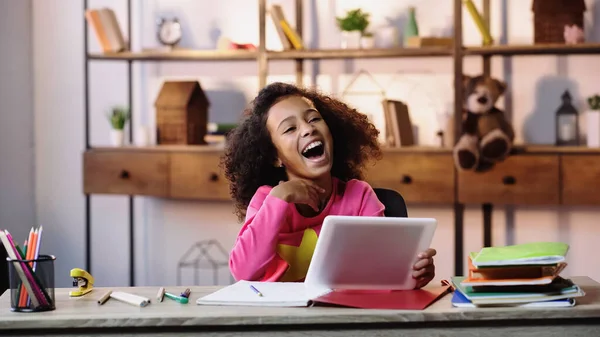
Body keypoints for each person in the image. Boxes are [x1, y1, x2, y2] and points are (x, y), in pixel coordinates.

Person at [222, 82, 436, 288]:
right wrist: (280, 198)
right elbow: (243, 272)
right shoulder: (267, 199)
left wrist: (414, 274)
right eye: (289, 129)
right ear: (274, 156)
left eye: (314, 119)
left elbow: (383, 269)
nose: (308, 129)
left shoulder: (359, 196)